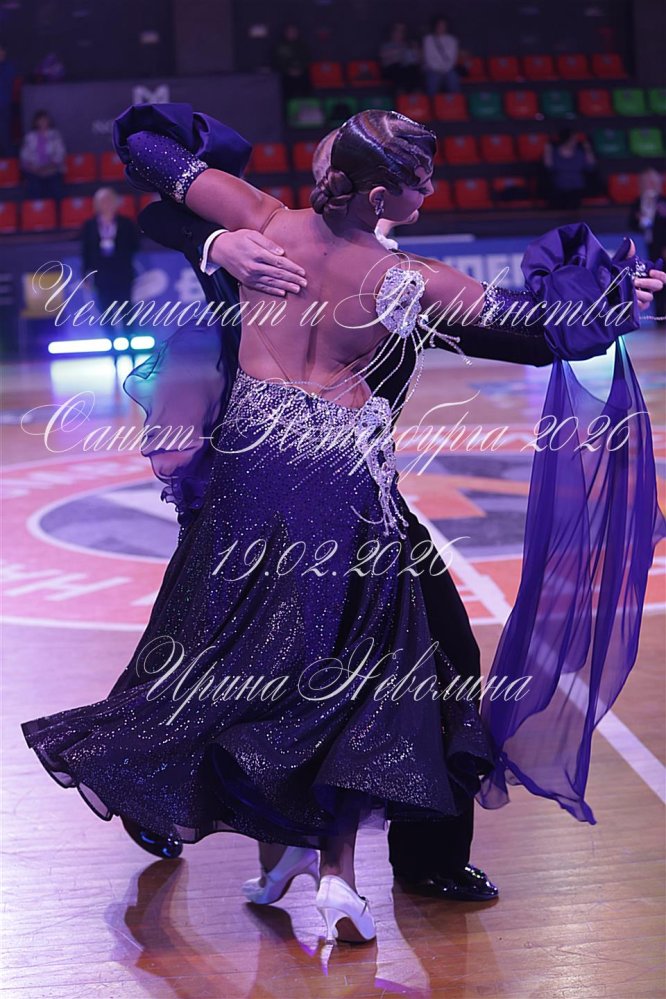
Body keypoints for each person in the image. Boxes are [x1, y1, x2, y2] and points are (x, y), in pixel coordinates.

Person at [21, 107, 665, 945]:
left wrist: (604, 305)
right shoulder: (377, 271)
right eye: (417, 179)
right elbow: (538, 324)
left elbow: (145, 151)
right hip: (304, 490)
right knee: (265, 663)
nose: (430, 190)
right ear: (373, 190)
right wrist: (614, 295)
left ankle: (416, 853)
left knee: (358, 659)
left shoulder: (264, 222)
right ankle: (206, 811)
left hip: (284, 486)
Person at [81, 188, 140, 324]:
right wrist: (85, 275)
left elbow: (135, 246)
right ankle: (110, 337)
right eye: (102, 201)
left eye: (109, 200)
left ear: (115, 202)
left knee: (126, 310)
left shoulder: (126, 223)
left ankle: (129, 336)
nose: (106, 204)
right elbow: (86, 252)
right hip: (101, 275)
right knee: (106, 312)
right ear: (96, 204)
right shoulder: (89, 225)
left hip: (122, 273)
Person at [629, 169, 666, 320]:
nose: (649, 185)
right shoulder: (637, 202)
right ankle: (647, 317)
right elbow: (630, 224)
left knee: (661, 280)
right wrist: (639, 220)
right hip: (642, 248)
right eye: (646, 182)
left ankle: (662, 315)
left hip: (661, 248)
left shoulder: (663, 202)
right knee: (644, 281)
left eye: (653, 181)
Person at [543, 129, 596, 212]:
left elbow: (590, 167)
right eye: (573, 139)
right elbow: (549, 167)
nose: (575, 141)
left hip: (576, 190)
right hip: (558, 190)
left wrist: (588, 150)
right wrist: (547, 152)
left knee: (573, 207)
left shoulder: (579, 153)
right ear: (566, 140)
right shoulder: (555, 153)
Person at [19, 109, 65, 200]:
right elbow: (24, 156)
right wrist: (33, 168)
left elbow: (60, 154)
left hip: (52, 170)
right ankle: (36, 208)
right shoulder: (29, 137)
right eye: (40, 120)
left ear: (49, 121)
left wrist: (49, 167)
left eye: (45, 119)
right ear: (36, 122)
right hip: (34, 171)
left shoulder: (55, 135)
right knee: (33, 186)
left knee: (56, 187)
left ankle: (57, 207)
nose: (43, 122)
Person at [271, 23, 311, 101]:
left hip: (302, 73)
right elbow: (277, 61)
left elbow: (307, 59)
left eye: (293, 32)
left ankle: (306, 105)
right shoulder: (279, 46)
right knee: (285, 85)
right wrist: (288, 70)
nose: (292, 34)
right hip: (286, 75)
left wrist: (300, 70)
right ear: (285, 33)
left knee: (307, 79)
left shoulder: (303, 45)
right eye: (289, 32)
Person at [379, 22, 422, 94]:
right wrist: (399, 52)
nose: (399, 34)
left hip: (404, 70)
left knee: (413, 69)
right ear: (392, 33)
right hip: (391, 70)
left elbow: (416, 59)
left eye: (401, 32)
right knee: (397, 67)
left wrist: (416, 49)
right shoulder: (386, 46)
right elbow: (385, 58)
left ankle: (416, 94)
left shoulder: (407, 45)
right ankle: (400, 93)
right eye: (397, 31)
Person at [422, 16, 460, 96]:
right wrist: (438, 69)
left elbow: (452, 59)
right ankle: (432, 101)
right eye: (439, 25)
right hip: (432, 69)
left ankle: (454, 101)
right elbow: (429, 58)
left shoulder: (452, 40)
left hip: (447, 69)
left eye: (443, 25)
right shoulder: (428, 39)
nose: (441, 27)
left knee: (453, 78)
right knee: (432, 80)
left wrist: (444, 69)